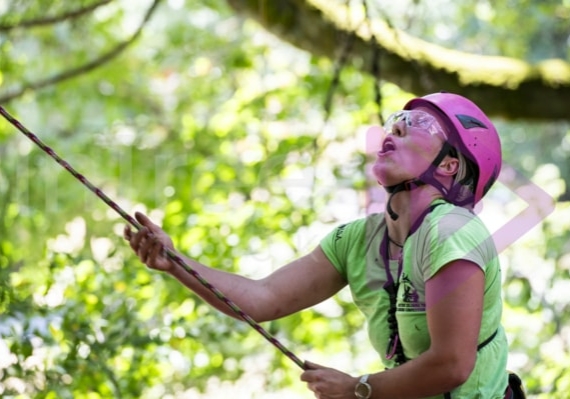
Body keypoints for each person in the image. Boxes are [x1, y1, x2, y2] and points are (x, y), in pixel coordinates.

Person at [124, 92, 513, 398]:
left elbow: (452, 365)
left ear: (449, 165)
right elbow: (263, 298)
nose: (393, 129)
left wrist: (359, 388)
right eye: (395, 121)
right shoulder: (357, 240)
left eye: (417, 123)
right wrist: (176, 262)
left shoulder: (452, 230)